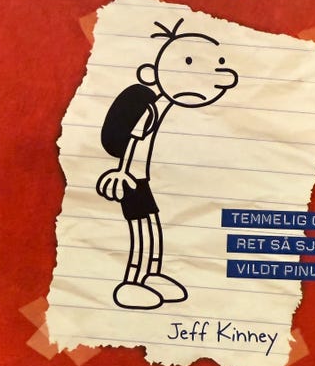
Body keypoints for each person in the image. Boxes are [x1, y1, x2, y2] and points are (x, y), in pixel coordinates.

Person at [97, 18, 238, 310]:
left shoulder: (164, 109)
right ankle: (132, 282)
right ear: (151, 74)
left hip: (143, 180)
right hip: (132, 181)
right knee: (142, 231)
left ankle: (151, 275)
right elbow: (133, 143)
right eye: (188, 62)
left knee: (152, 228)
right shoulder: (149, 110)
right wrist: (121, 172)